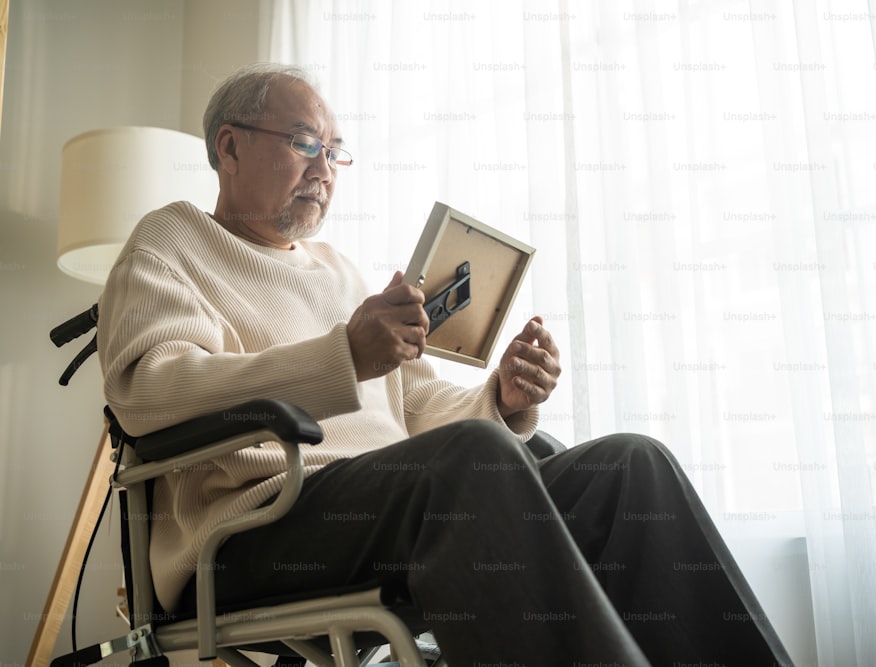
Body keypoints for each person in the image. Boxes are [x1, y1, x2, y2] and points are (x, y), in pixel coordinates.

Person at [97, 62, 791, 666]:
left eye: (336, 153)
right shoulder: (171, 240)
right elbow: (148, 394)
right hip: (257, 526)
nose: (324, 168)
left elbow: (420, 406)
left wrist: (504, 398)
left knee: (630, 465)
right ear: (230, 147)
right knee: (465, 463)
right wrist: (342, 356)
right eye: (307, 143)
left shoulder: (336, 270)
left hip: (388, 501)